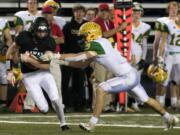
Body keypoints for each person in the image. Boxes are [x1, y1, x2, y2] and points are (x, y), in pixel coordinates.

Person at [43, 22, 179, 131]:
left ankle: (92, 123)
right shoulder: (102, 42)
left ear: (91, 35)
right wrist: (60, 61)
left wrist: (57, 55)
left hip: (126, 76)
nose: (82, 38)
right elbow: (81, 64)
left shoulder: (95, 44)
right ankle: (169, 117)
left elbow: (80, 56)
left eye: (84, 35)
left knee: (101, 89)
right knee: (146, 99)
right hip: (131, 74)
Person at [6, 17, 69, 131]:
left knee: (55, 98)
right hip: (28, 76)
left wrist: (30, 60)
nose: (42, 33)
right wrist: (10, 70)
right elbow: (10, 52)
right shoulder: (24, 37)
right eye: (39, 30)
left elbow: (45, 66)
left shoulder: (49, 42)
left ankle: (63, 123)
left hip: (44, 73)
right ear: (34, 29)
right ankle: (44, 110)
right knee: (44, 109)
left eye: (44, 30)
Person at [14, 0, 41, 112]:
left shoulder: (42, 15)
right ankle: (20, 105)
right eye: (30, 3)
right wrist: (17, 50)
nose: (32, 5)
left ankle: (31, 105)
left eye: (34, 3)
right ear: (27, 4)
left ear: (37, 4)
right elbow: (19, 33)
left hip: (38, 49)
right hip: (25, 49)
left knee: (36, 79)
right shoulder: (21, 15)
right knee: (23, 78)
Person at [152, 1, 179, 108]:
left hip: (178, 54)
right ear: (168, 10)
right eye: (171, 8)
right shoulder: (163, 22)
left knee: (176, 80)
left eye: (175, 8)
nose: (173, 10)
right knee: (162, 78)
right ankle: (159, 101)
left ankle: (175, 101)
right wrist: (156, 55)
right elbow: (157, 41)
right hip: (168, 54)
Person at [130, 2, 151, 111]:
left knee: (136, 80)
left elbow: (144, 43)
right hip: (126, 54)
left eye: (138, 11)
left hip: (138, 54)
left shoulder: (146, 26)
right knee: (127, 79)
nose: (136, 13)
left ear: (141, 13)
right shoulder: (126, 24)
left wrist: (143, 58)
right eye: (134, 11)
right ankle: (129, 102)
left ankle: (136, 101)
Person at [0, 18, 13, 108]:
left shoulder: (2, 21)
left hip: (0, 54)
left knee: (3, 78)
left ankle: (3, 104)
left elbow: (9, 39)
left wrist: (6, 47)